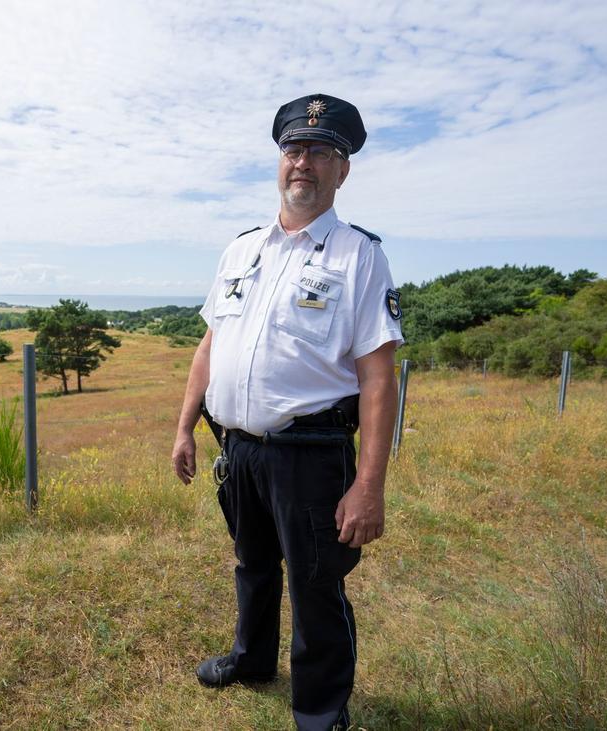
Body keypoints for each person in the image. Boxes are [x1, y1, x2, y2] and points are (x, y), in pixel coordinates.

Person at [171, 93, 403, 731]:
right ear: (280, 161)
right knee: (252, 565)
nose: (304, 162)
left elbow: (378, 378)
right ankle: (251, 661)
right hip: (239, 450)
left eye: (321, 152)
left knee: (315, 584)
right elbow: (211, 344)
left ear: (342, 170)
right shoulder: (241, 249)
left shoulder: (359, 256)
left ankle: (320, 711)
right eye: (294, 149)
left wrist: (369, 485)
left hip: (310, 454)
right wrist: (185, 426)